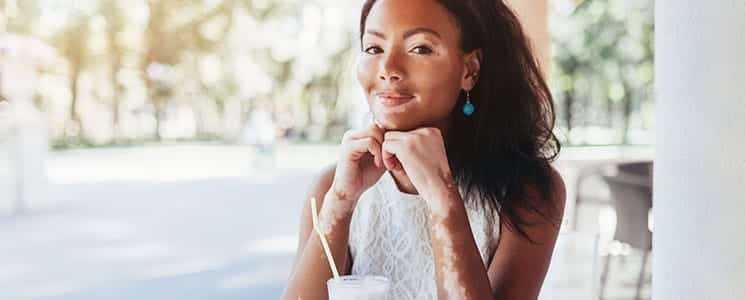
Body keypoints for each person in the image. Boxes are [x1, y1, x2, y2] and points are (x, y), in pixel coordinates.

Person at [283, 0, 565, 299]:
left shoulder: (528, 193)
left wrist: (442, 195)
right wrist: (340, 201)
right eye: (373, 48)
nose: (388, 69)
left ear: (469, 70)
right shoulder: (332, 187)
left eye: (420, 48)